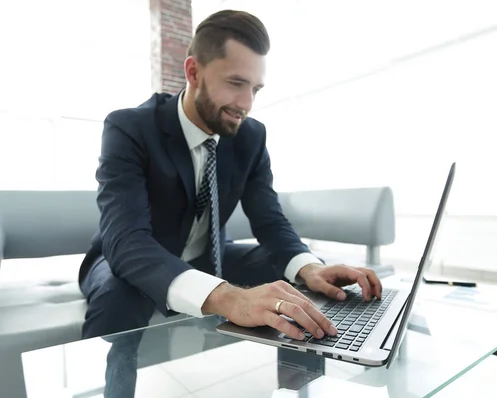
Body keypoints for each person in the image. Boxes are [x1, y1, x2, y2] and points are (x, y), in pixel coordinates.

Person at [78, 9, 383, 343]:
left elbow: (269, 220)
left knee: (296, 277)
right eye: (236, 83)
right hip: (132, 257)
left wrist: (309, 268)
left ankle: (302, 377)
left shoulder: (251, 137)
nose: (246, 103)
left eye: (256, 88)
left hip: (210, 256)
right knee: (118, 297)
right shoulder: (130, 128)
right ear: (194, 72)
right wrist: (229, 297)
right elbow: (127, 241)